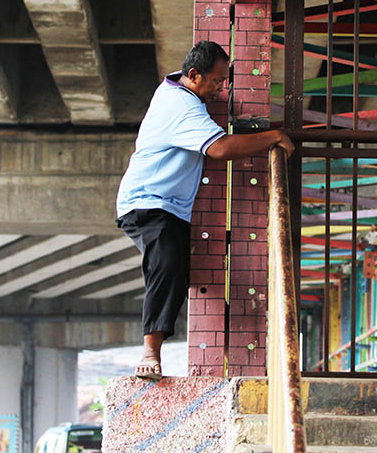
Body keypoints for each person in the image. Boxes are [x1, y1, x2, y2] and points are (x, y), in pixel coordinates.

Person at [115, 40, 294, 380]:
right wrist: (274, 137)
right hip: (148, 202)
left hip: (170, 208)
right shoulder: (181, 104)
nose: (220, 88)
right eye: (216, 80)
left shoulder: (177, 90)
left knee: (183, 273)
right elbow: (220, 148)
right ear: (193, 74)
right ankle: (150, 353)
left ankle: (213, 348)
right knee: (165, 264)